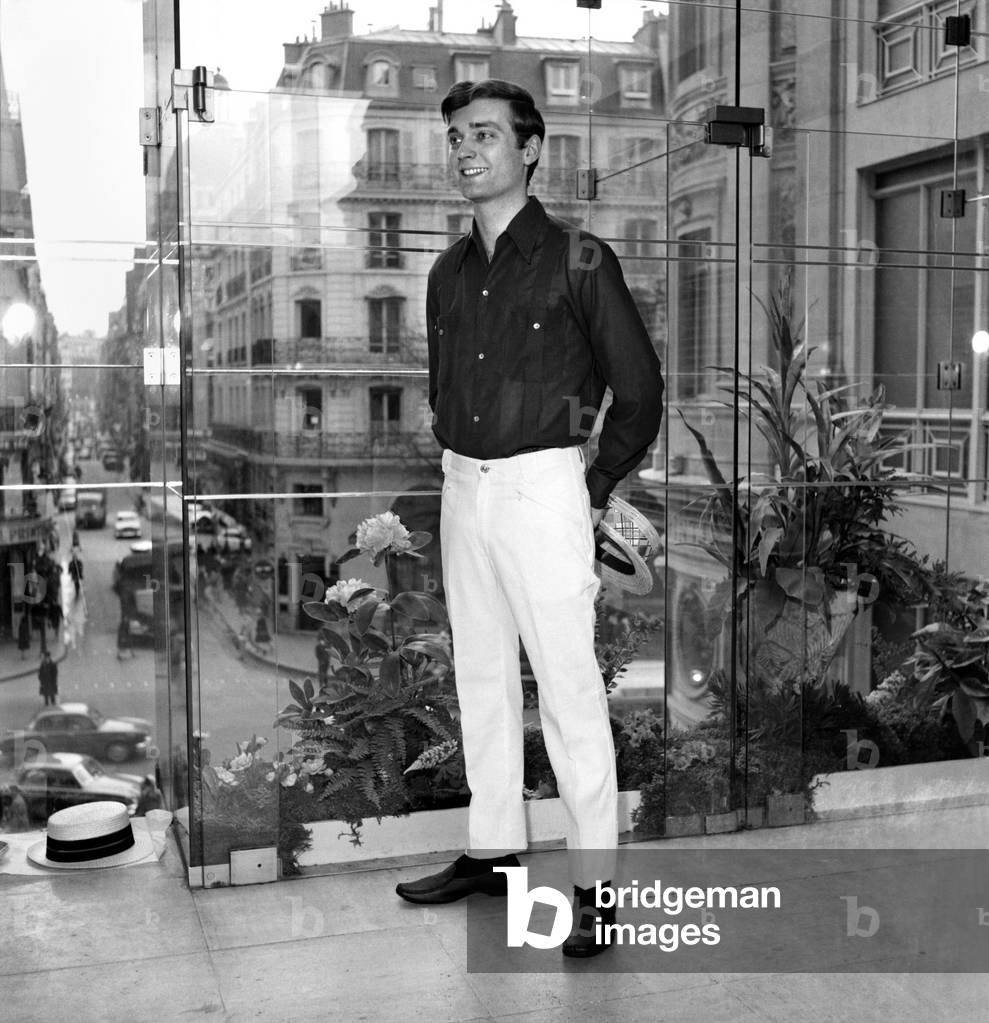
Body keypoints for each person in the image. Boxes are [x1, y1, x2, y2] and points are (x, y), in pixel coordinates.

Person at [394, 80, 664, 958]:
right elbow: (445, 387)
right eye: (454, 137)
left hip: (544, 486)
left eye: (482, 134)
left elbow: (641, 389)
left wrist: (592, 487)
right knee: (479, 677)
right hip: (461, 487)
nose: (463, 150)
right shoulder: (445, 271)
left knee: (569, 692)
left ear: (532, 148)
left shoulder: (580, 259)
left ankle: (594, 889)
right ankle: (494, 847)